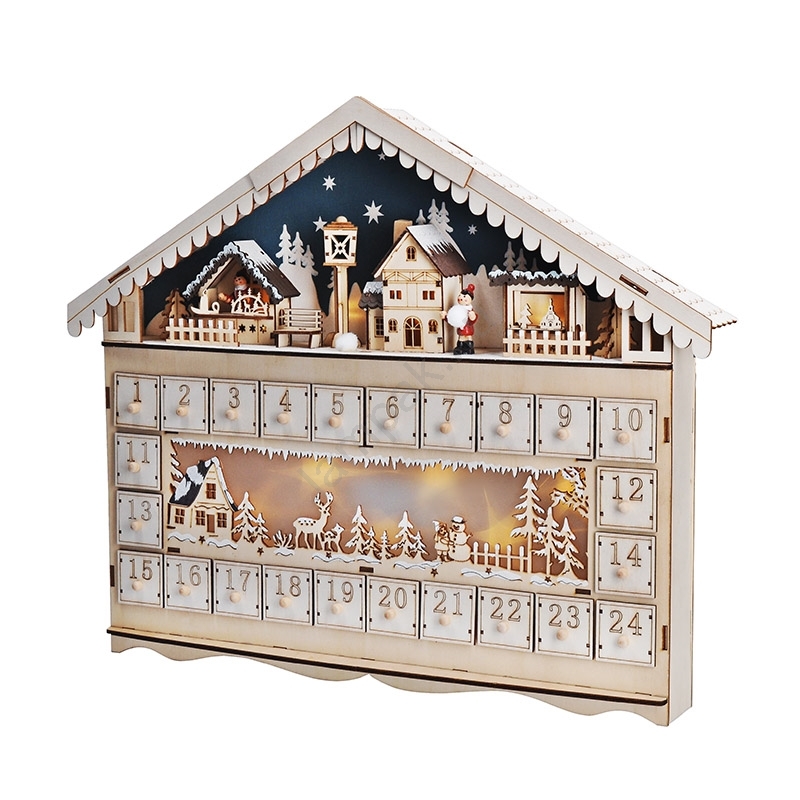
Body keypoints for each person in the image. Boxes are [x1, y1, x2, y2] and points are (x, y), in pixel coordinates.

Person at [442, 283, 477, 355]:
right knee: (461, 339)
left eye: (464, 296)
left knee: (467, 339)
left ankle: (469, 349)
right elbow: (453, 319)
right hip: (460, 330)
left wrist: (473, 318)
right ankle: (460, 348)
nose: (461, 298)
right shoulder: (457, 309)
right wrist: (445, 317)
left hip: (468, 330)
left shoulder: (469, 310)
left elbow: (472, 320)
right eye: (460, 295)